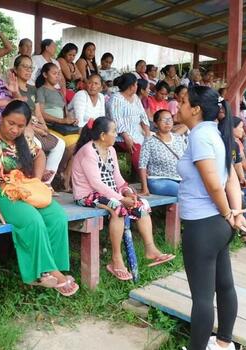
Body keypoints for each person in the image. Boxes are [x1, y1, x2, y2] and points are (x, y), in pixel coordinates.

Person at [0, 100, 79, 296]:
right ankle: (42, 272)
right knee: (33, 220)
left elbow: (39, 156)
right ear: (2, 118)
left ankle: (54, 267)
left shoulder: (23, 140)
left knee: (56, 215)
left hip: (22, 187)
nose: (14, 129)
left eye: (20, 126)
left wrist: (36, 182)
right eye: (11, 123)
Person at [176, 86, 246, 350]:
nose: (177, 106)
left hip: (203, 225)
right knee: (224, 286)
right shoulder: (216, 134)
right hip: (218, 224)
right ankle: (223, 344)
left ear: (195, 109)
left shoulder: (200, 137)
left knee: (203, 298)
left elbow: (215, 184)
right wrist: (234, 215)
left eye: (182, 102)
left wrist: (230, 212)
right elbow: (231, 182)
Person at [71, 117, 175, 281]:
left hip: (109, 193)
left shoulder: (110, 150)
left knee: (139, 205)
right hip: (87, 195)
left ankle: (151, 250)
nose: (116, 134)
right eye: (113, 131)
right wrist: (120, 198)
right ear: (103, 135)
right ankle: (116, 260)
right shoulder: (88, 151)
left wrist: (127, 192)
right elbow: (96, 184)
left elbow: (117, 178)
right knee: (118, 208)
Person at [14, 55, 65, 186]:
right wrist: (36, 128)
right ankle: (33, 180)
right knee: (37, 145)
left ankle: (46, 183)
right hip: (24, 127)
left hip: (36, 125)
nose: (28, 70)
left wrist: (44, 127)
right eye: (24, 66)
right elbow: (16, 114)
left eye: (30, 67)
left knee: (60, 144)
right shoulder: (12, 88)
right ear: (15, 69)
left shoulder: (33, 89)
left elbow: (38, 112)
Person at [37, 62, 78, 191]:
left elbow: (65, 110)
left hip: (62, 127)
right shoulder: (41, 90)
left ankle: (62, 172)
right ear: (45, 74)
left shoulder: (59, 92)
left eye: (58, 73)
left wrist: (71, 119)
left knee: (79, 143)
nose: (57, 76)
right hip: (50, 127)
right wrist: (61, 121)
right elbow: (41, 113)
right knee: (68, 145)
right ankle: (58, 173)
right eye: (54, 73)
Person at [106, 73, 150, 171]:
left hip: (138, 134)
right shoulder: (116, 99)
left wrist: (147, 134)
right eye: (136, 84)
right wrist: (127, 138)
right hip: (121, 136)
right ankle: (145, 179)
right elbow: (116, 121)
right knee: (138, 153)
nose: (137, 87)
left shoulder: (136, 98)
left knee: (152, 148)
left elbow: (143, 116)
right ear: (131, 86)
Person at [138, 110, 186, 197]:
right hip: (158, 181)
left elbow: (186, 158)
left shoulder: (178, 139)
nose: (167, 122)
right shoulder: (149, 141)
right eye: (163, 120)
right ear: (156, 124)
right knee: (186, 192)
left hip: (180, 179)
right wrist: (144, 188)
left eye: (170, 119)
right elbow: (142, 166)